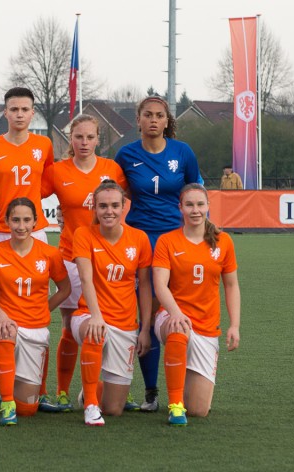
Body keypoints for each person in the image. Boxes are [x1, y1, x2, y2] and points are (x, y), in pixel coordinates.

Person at [0, 87, 55, 414]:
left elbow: (48, 181)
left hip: (36, 233)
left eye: (25, 109)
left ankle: (42, 389)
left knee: (38, 303)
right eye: (14, 109)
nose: (19, 114)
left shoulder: (43, 145)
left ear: (33, 113)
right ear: (5, 112)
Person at [115, 96, 201, 412]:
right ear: (138, 119)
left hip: (179, 241)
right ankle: (151, 393)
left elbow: (197, 194)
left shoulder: (183, 153)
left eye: (159, 115)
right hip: (140, 242)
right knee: (147, 316)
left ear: (167, 121)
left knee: (183, 309)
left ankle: (190, 384)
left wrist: (204, 233)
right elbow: (109, 191)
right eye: (147, 115)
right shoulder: (125, 155)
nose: (153, 120)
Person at [41, 114, 128, 412]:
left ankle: (103, 387)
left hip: (106, 259)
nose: (84, 142)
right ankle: (63, 391)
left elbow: (124, 201)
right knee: (70, 326)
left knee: (108, 322)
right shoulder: (57, 171)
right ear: (70, 139)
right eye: (78, 137)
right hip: (70, 256)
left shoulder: (111, 169)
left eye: (90, 137)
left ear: (98, 139)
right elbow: (26, 193)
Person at [152, 183, 240, 426]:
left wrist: (234, 326)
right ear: (180, 208)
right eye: (189, 205)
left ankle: (184, 393)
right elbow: (160, 285)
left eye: (200, 204)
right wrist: (176, 312)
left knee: (200, 410)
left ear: (208, 207)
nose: (195, 210)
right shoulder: (167, 241)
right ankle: (175, 405)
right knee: (178, 329)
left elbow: (231, 285)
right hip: (171, 316)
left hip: (207, 327)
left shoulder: (224, 242)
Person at [0, 198, 71, 425]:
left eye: (26, 220)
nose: (21, 226)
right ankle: (6, 402)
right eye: (16, 220)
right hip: (3, 324)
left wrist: (43, 309)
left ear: (35, 222)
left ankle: (23, 399)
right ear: (7, 222)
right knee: (6, 331)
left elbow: (65, 289)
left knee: (28, 409)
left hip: (35, 328)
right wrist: (3, 317)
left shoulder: (49, 253)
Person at [70, 180, 152, 426]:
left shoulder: (139, 238)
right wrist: (95, 315)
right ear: (94, 208)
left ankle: (91, 389)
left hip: (126, 323)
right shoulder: (83, 234)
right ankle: (90, 406)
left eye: (115, 205)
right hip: (89, 315)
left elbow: (145, 286)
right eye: (103, 206)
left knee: (115, 409)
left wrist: (145, 329)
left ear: (124, 206)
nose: (109, 211)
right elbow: (86, 277)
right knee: (95, 332)